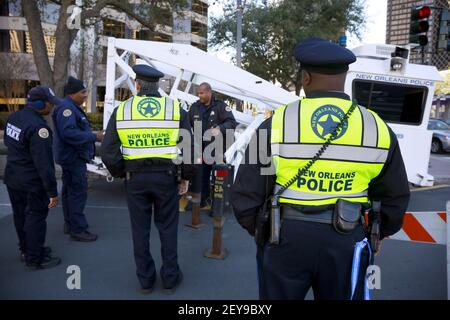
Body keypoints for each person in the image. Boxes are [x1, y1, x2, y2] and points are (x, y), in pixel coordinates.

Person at [230, 38, 410, 300]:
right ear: (345, 77)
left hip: (285, 237)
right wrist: (379, 232)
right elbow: (395, 196)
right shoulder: (377, 127)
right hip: (348, 240)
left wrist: (262, 233)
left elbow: (246, 193)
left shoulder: (275, 124)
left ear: (305, 78)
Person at [101, 63, 195, 294]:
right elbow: (189, 148)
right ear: (158, 86)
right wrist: (186, 178)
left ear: (138, 84)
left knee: (140, 230)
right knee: (168, 228)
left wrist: (121, 172)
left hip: (136, 180)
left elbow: (108, 151)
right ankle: (170, 278)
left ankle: (146, 280)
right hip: (166, 178)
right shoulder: (174, 109)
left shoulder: (122, 110)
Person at [3, 86, 61, 269]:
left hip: (13, 178)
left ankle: (26, 250)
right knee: (35, 218)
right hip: (32, 183)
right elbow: (44, 165)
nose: (51, 107)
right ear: (40, 104)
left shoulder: (14, 118)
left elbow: (9, 144)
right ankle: (35, 258)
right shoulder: (39, 129)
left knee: (20, 216)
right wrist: (52, 192)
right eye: (50, 103)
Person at [52, 76, 103, 242]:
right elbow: (69, 133)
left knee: (69, 192)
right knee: (77, 193)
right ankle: (78, 229)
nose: (85, 95)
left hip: (71, 157)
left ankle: (70, 224)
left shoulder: (70, 107)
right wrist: (94, 136)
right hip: (73, 158)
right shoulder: (67, 109)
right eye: (83, 92)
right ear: (72, 94)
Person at [185, 83, 237, 210]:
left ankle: (218, 204)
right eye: (198, 93)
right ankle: (202, 201)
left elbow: (232, 122)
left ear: (209, 92)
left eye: (202, 93)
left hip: (217, 149)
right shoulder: (195, 107)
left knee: (219, 178)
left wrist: (220, 128)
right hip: (201, 149)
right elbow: (186, 123)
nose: (199, 95)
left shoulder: (221, 106)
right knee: (200, 175)